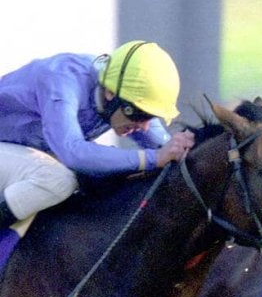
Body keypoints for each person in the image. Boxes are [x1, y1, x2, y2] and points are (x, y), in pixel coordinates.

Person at [0, 40, 195, 235]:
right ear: (110, 93)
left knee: (99, 179)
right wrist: (153, 158)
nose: (145, 126)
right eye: (139, 114)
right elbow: (73, 153)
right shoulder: (61, 80)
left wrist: (182, 148)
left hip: (19, 151)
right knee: (56, 179)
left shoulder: (120, 93)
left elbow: (165, 149)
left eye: (151, 116)